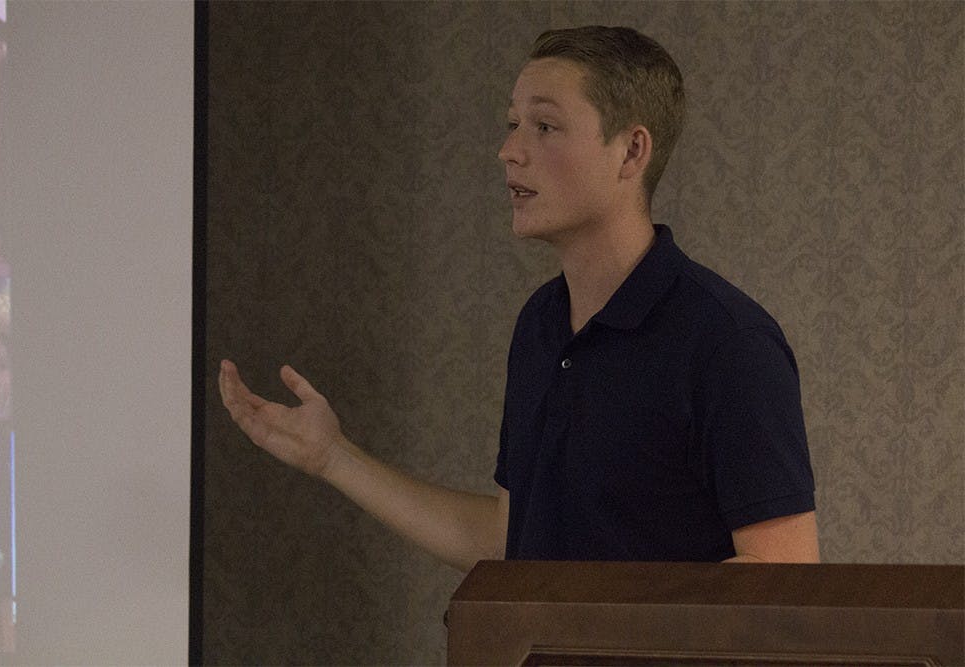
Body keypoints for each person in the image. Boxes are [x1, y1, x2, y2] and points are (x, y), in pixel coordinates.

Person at [219, 25, 819, 571]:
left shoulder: (727, 342)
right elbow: (512, 543)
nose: (510, 151)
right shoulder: (540, 323)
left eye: (545, 126)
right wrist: (334, 458)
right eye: (512, 124)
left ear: (632, 151)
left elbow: (781, 583)